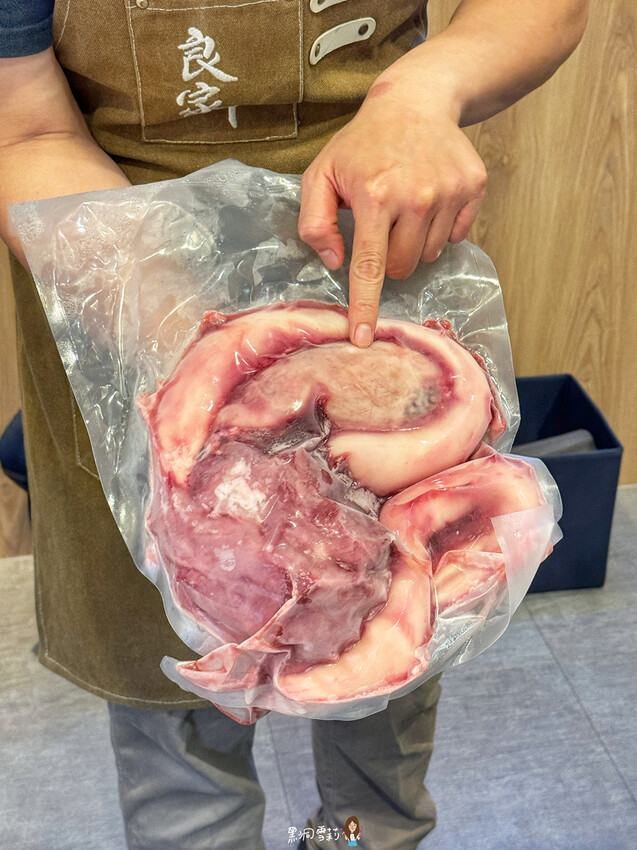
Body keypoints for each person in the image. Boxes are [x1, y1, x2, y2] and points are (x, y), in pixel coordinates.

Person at [0, 2, 588, 849]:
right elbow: (24, 127)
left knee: (381, 730)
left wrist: (422, 91)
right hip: (124, 296)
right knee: (187, 780)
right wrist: (207, 365)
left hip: (377, 277)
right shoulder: (168, 356)